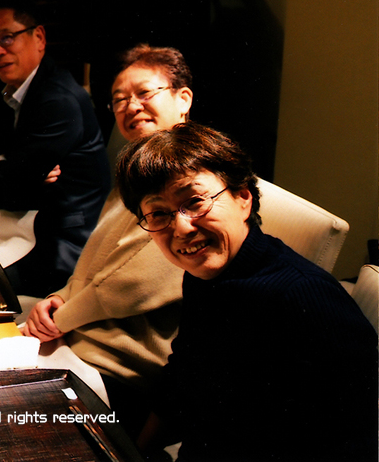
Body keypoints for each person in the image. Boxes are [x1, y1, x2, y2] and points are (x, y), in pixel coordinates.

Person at [118, 123, 378, 462]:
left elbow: (355, 437)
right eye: (158, 214)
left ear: (243, 197)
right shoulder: (205, 274)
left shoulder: (304, 296)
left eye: (194, 202)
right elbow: (182, 377)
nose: (181, 228)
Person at [23, 44, 194, 436]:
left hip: (119, 372)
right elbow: (94, 262)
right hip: (77, 342)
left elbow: (133, 285)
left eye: (144, 93)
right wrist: (58, 298)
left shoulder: (191, 177)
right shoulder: (137, 170)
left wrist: (60, 317)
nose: (131, 106)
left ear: (183, 99)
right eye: (119, 99)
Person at [0, 0, 110, 297]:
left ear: (39, 37)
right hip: (23, 220)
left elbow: (10, 189)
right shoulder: (11, 89)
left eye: (7, 38)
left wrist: (1, 165)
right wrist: (2, 164)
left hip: (62, 241)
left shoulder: (58, 99)